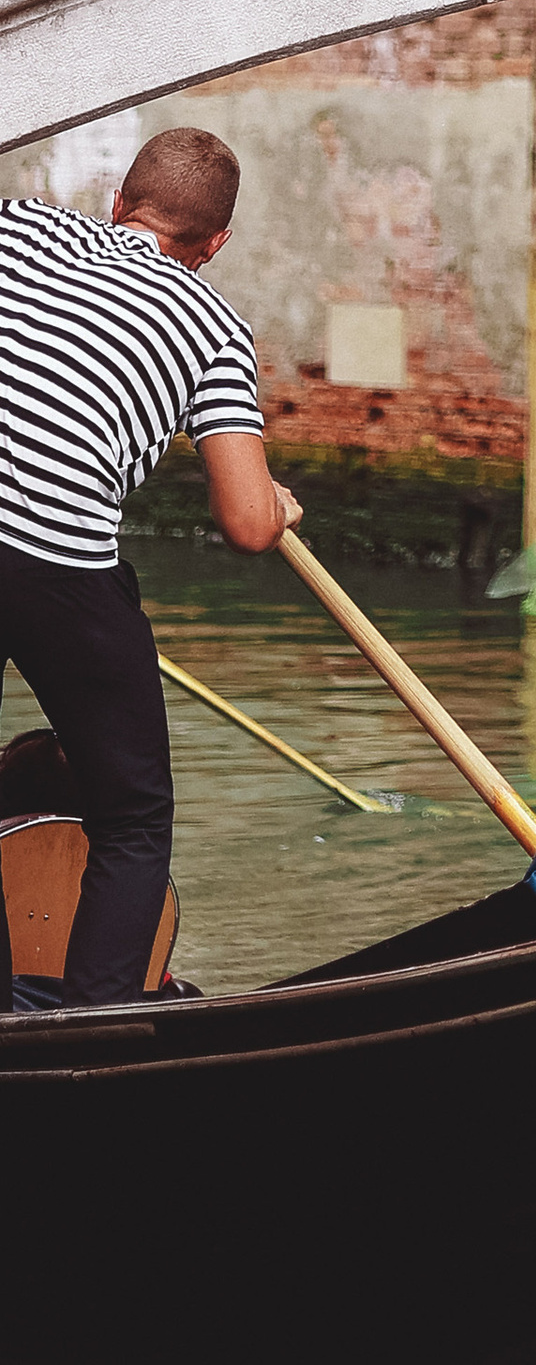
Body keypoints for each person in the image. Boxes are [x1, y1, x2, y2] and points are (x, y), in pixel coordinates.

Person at [0, 126, 300, 1007]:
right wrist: (277, 503)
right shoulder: (215, 327)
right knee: (132, 818)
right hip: (63, 572)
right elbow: (247, 525)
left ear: (120, 201)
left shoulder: (21, 230)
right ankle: (96, 1029)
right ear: (215, 245)